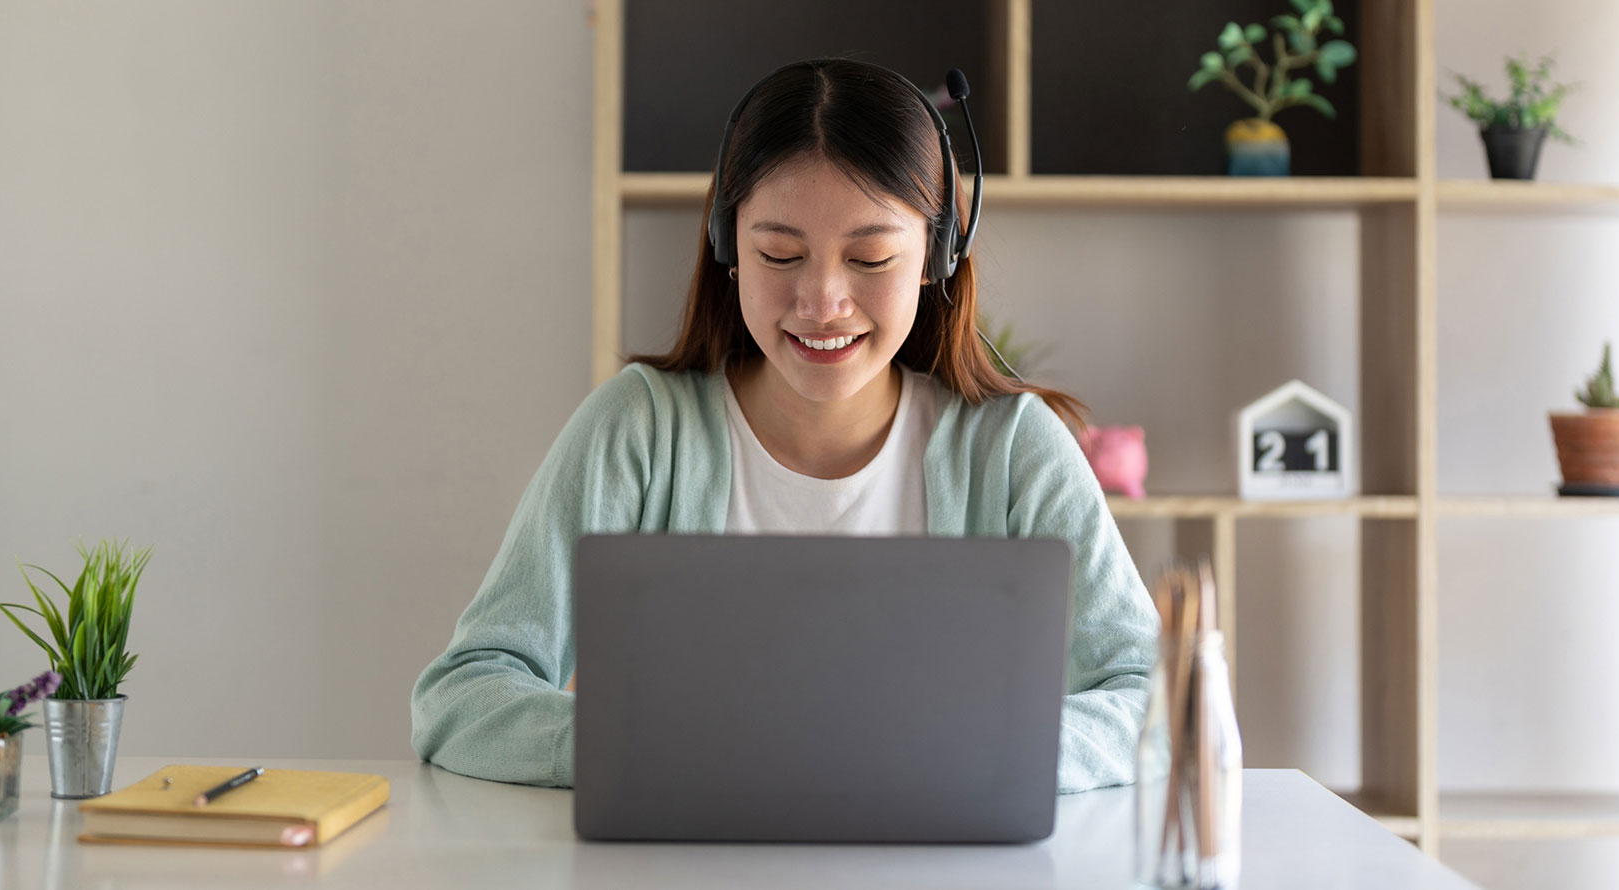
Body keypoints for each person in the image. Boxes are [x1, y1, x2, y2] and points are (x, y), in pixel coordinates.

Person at [410, 58, 1158, 793]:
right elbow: (461, 697)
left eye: (869, 258)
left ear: (936, 255)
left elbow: (1161, 699)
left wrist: (989, 752)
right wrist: (637, 746)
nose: (822, 300)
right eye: (779, 253)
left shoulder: (1012, 450)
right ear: (726, 245)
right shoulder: (638, 430)